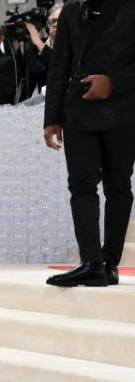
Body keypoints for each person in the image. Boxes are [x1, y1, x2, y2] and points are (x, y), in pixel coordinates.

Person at [44, 0, 135, 287]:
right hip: (78, 110)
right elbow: (59, 64)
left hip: (122, 111)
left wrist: (113, 82)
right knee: (81, 185)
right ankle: (91, 262)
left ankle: (109, 263)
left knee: (118, 185)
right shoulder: (71, 11)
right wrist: (52, 118)